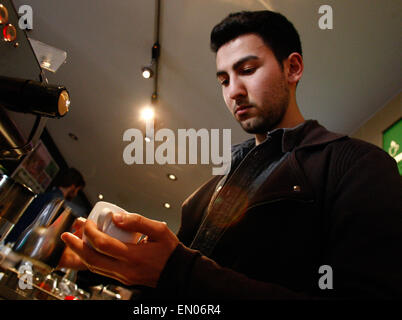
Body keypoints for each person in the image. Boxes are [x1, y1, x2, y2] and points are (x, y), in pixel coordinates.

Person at [59, 11, 402, 299]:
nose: (233, 91)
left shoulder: (357, 165)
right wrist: (127, 268)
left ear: (292, 68)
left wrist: (178, 270)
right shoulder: (205, 194)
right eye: (224, 80)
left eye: (248, 70)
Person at [6, 167, 85, 243]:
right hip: (21, 241)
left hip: (13, 234)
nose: (75, 194)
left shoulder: (46, 195)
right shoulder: (58, 202)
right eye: (77, 190)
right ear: (73, 186)